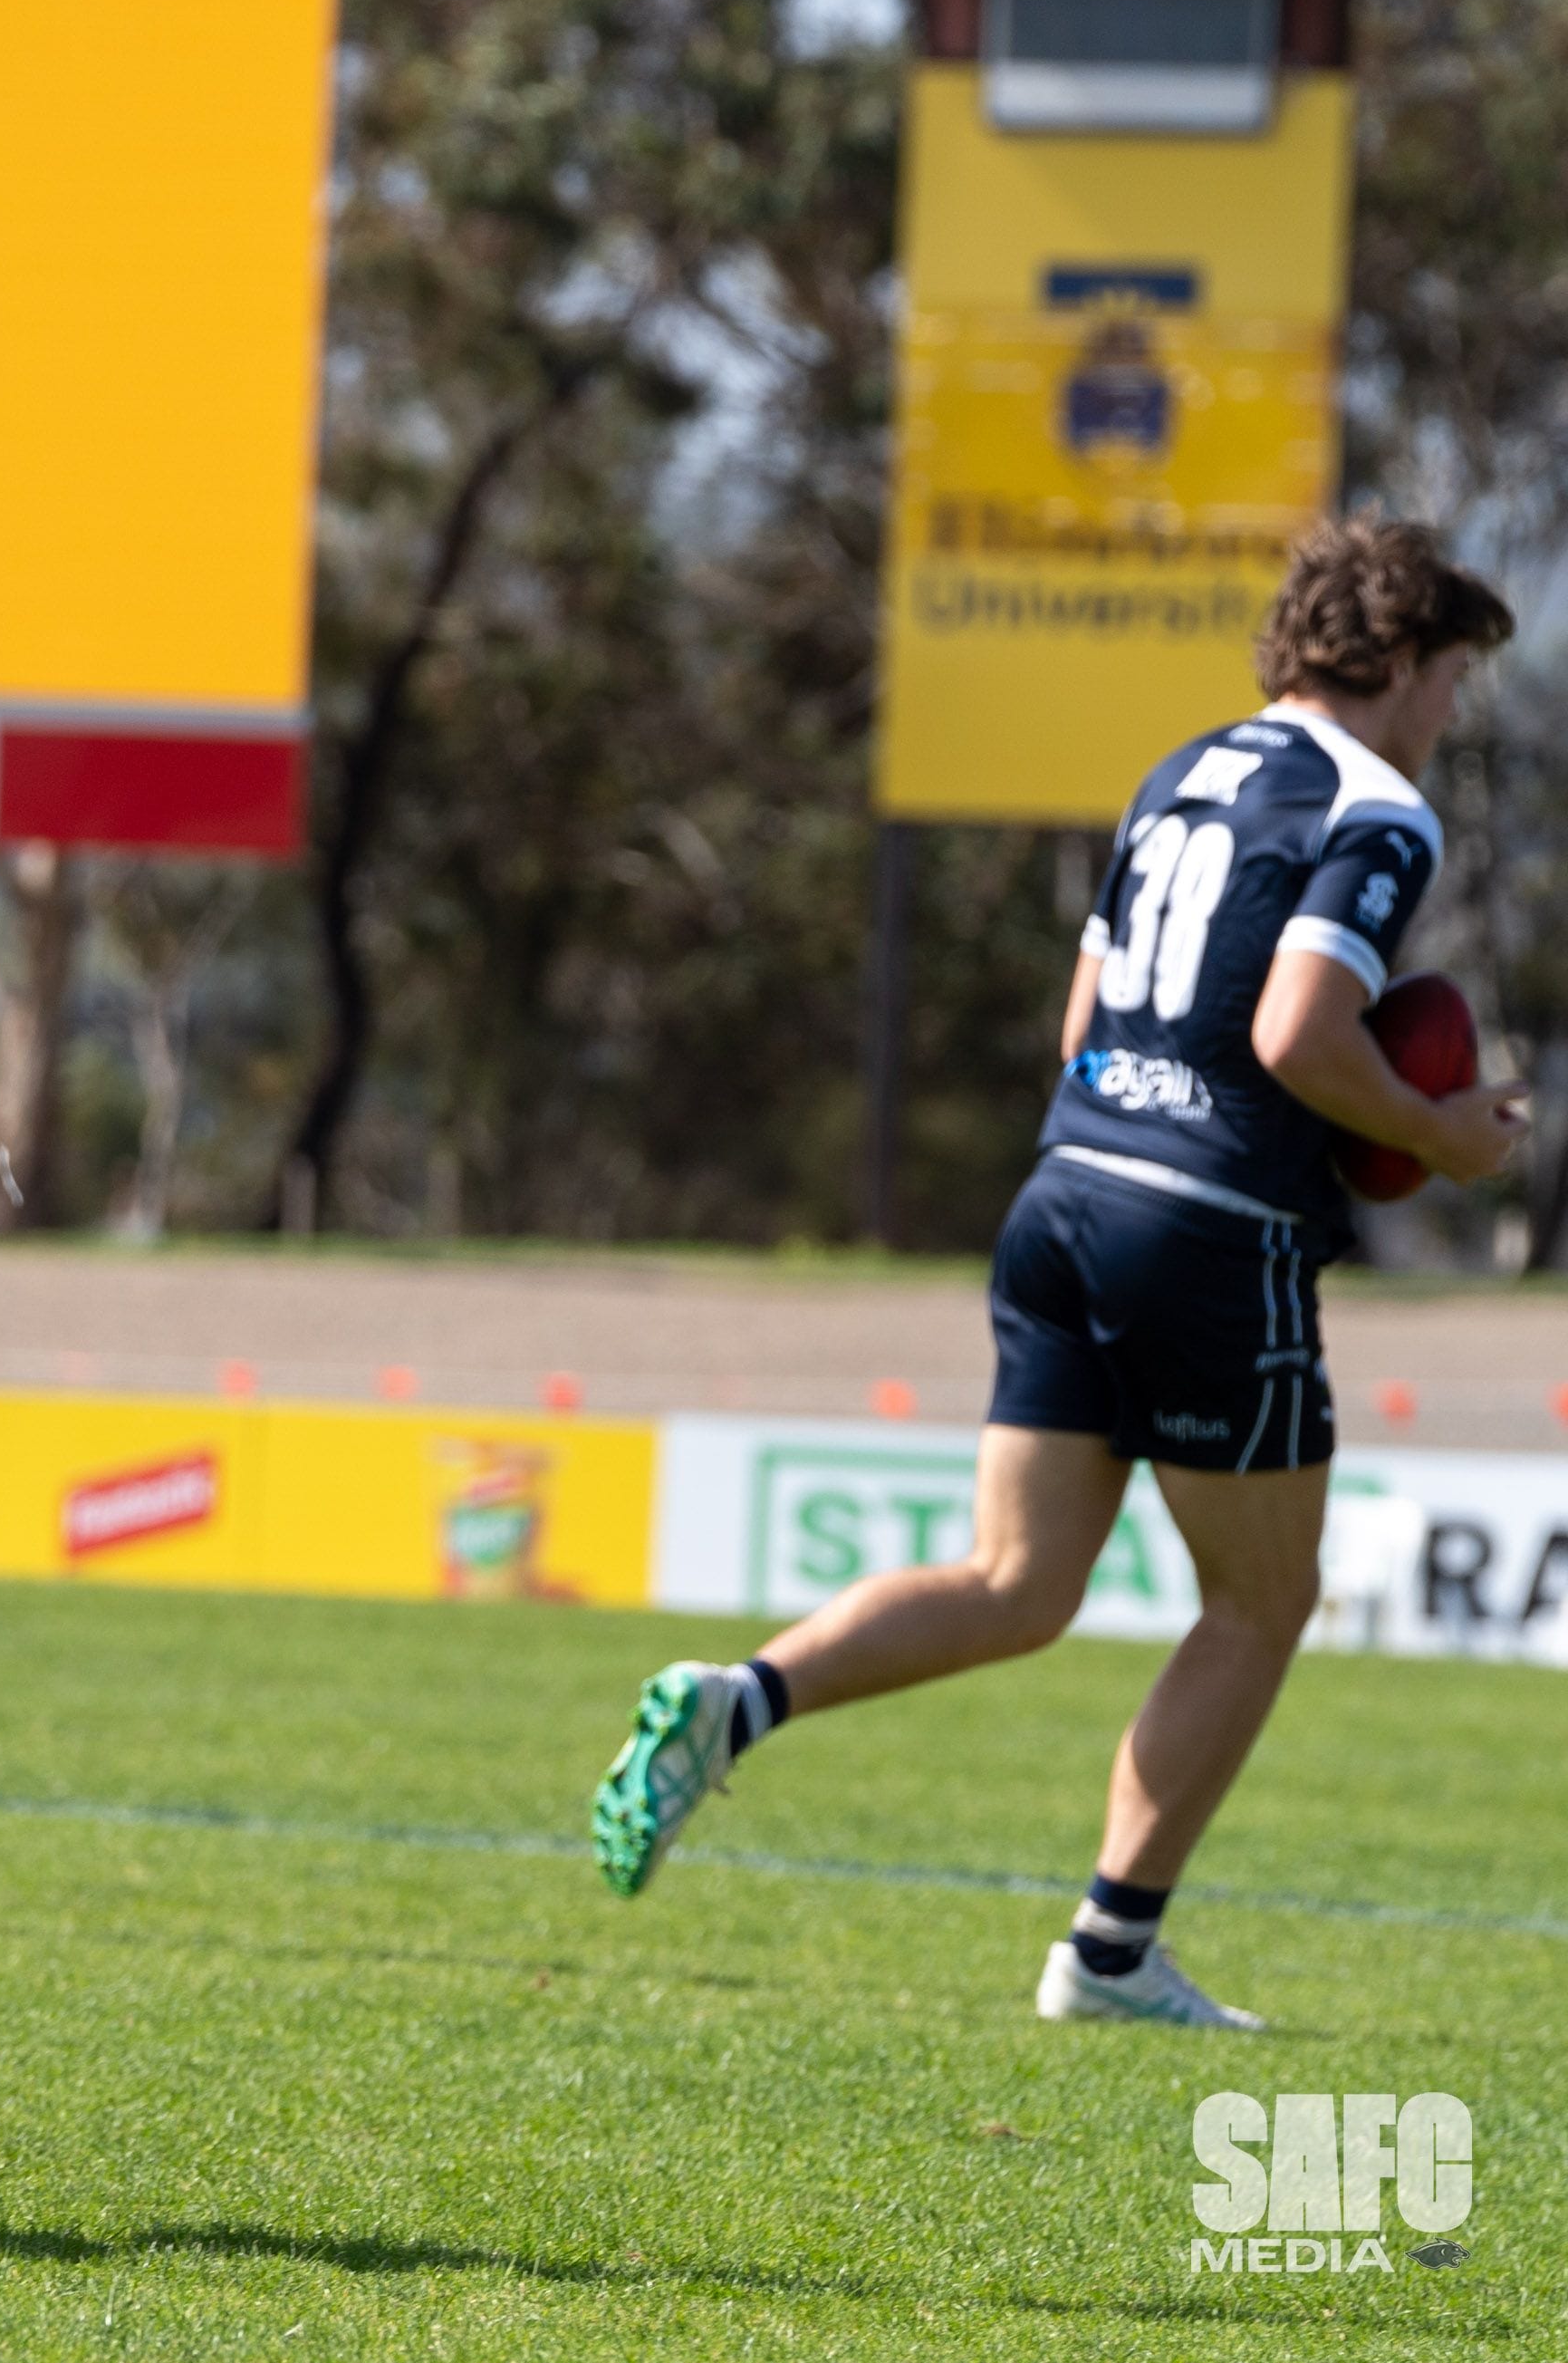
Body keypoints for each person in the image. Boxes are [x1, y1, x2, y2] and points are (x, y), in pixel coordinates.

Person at [591, 518, 1525, 2028]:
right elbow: (1294, 1035)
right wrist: (1434, 1132)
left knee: (1018, 1581)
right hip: (1210, 1228)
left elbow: (1086, 1008)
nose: (1453, 719)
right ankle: (1107, 1955)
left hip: (1068, 1191)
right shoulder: (1379, 809)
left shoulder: (1185, 771)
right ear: (1403, 661)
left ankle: (738, 1698)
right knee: (1260, 1601)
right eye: (1456, 682)